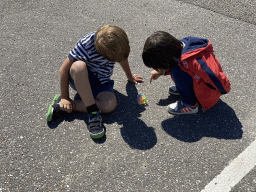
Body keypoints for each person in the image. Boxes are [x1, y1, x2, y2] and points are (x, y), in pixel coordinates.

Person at [46, 25, 143, 139]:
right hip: (81, 78)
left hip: (101, 82)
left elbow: (122, 58)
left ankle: (62, 106)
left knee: (110, 105)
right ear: (105, 55)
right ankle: (93, 113)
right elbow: (64, 69)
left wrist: (129, 76)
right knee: (78, 66)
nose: (116, 61)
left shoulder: (118, 44)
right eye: (113, 60)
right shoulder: (86, 45)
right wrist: (65, 97)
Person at [142, 31, 231, 115]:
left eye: (159, 66)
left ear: (166, 60)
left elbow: (215, 77)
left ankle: (190, 104)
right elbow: (176, 63)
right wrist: (161, 71)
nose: (158, 68)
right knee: (176, 69)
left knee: (175, 70)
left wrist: (223, 90)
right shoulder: (177, 48)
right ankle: (186, 90)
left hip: (208, 93)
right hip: (198, 82)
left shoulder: (196, 61)